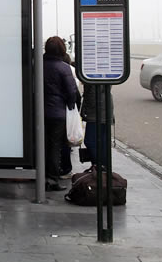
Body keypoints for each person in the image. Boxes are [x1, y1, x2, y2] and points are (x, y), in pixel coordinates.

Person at [43, 36, 78, 192]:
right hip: (57, 113)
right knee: (55, 146)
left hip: (39, 112)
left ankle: (40, 174)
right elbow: (72, 92)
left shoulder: (38, 65)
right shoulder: (64, 68)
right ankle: (52, 179)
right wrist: (71, 105)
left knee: (41, 144)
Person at [81, 83, 114, 167]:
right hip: (104, 110)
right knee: (102, 142)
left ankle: (98, 166)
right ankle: (103, 167)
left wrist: (85, 110)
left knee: (91, 141)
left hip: (96, 112)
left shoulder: (93, 76)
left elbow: (93, 95)